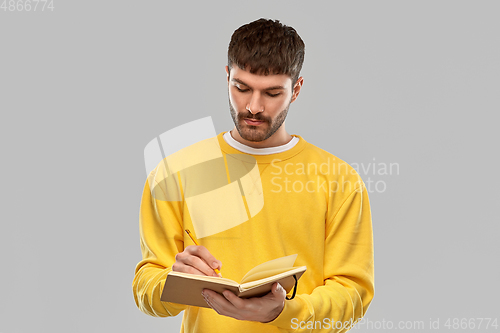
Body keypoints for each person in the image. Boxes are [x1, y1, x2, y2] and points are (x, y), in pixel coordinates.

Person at [133, 18, 374, 332]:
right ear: (227, 77)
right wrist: (175, 283)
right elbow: (145, 289)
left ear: (296, 89)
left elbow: (353, 295)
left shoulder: (339, 180)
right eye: (241, 88)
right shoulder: (174, 172)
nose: (253, 106)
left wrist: (283, 312)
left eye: (272, 93)